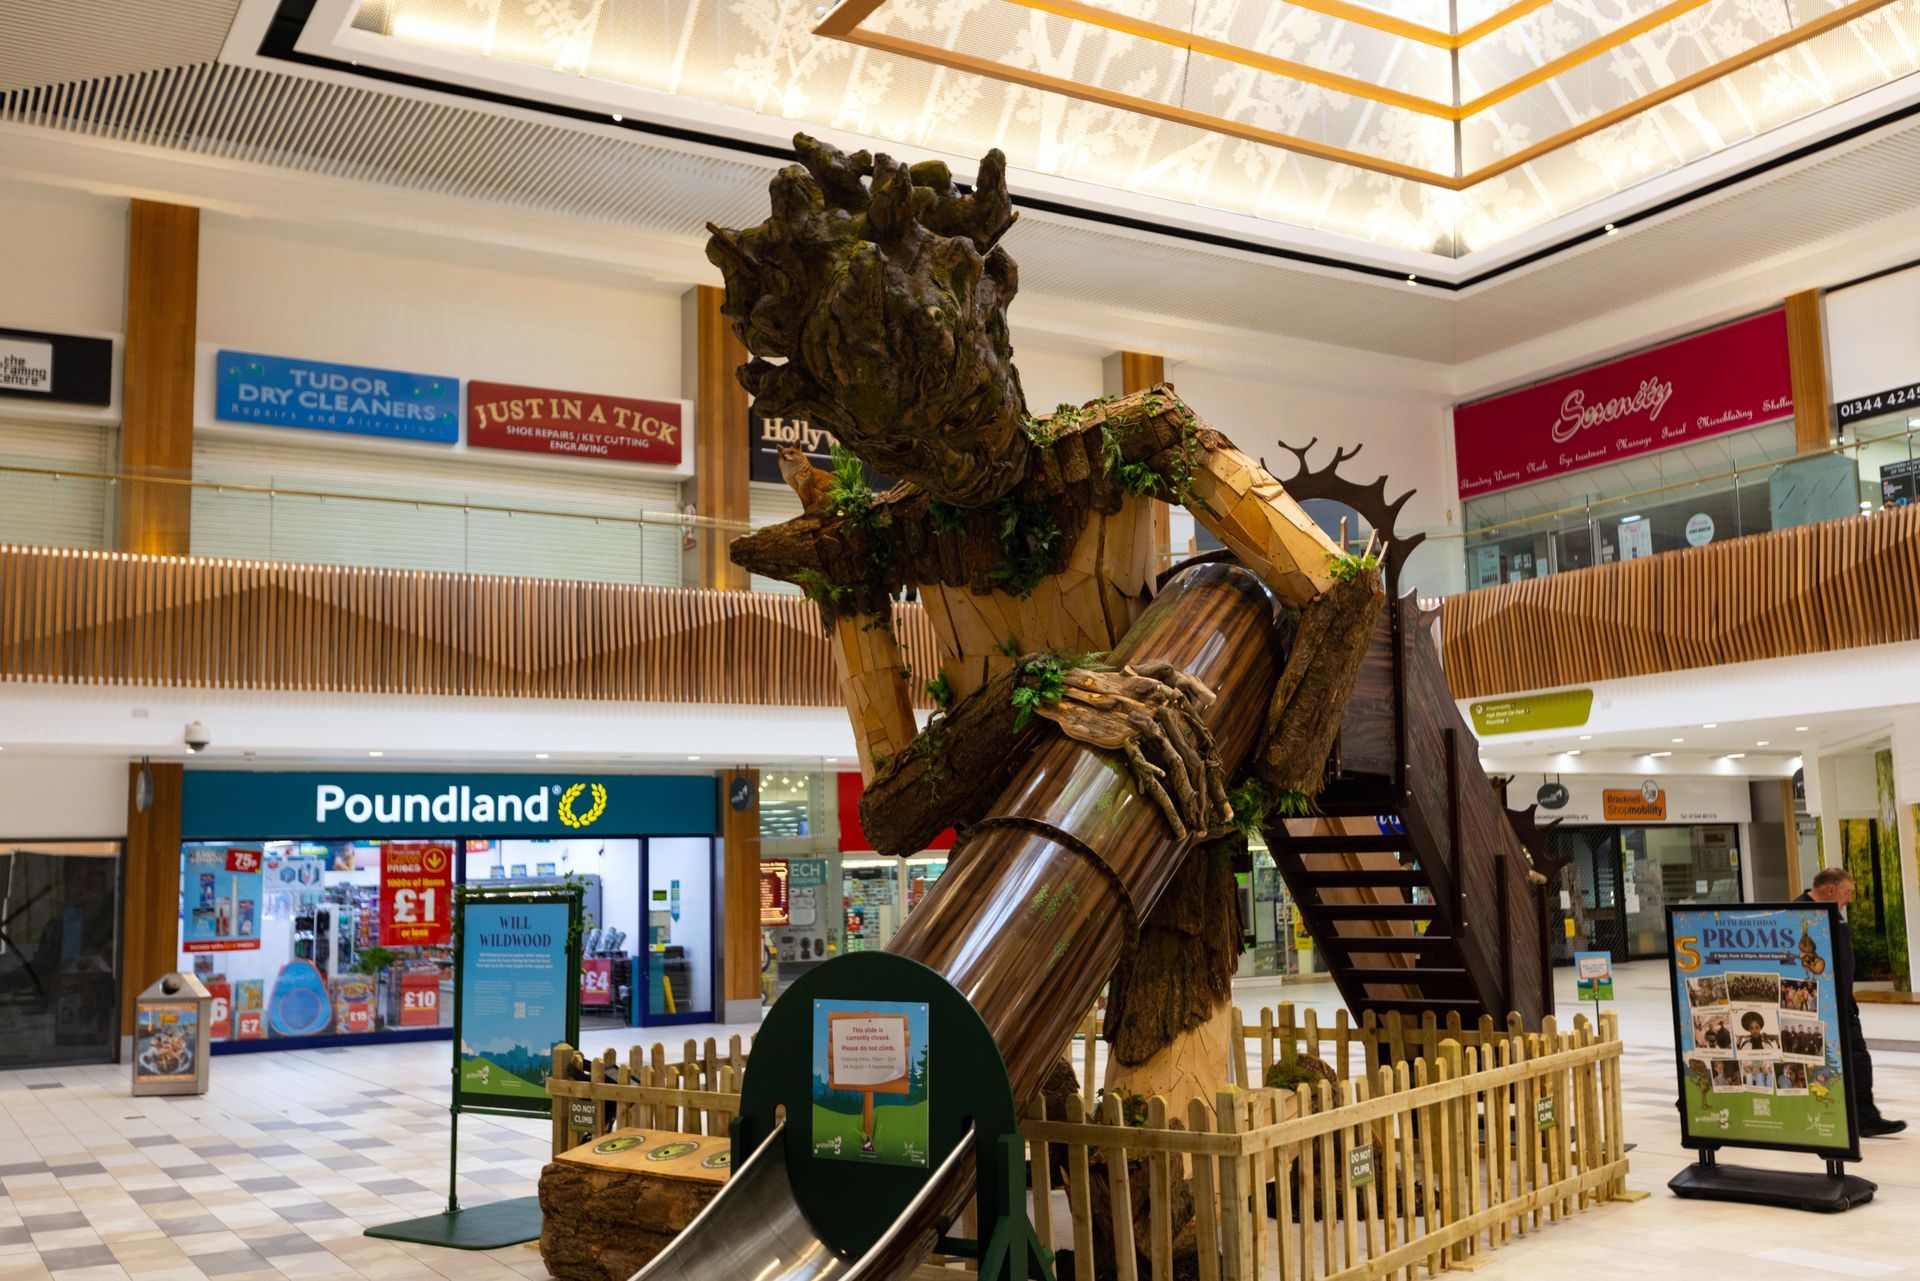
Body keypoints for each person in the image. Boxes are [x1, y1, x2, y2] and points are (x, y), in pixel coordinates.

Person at [1800, 867, 1906, 1137]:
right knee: (1826, 1064)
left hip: (1844, 1004)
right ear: (1831, 889)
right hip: (1820, 1008)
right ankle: (1828, 1117)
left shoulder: (1833, 913)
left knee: (1857, 1057)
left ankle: (1864, 1117)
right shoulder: (1800, 915)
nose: (1849, 899)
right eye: (1847, 893)